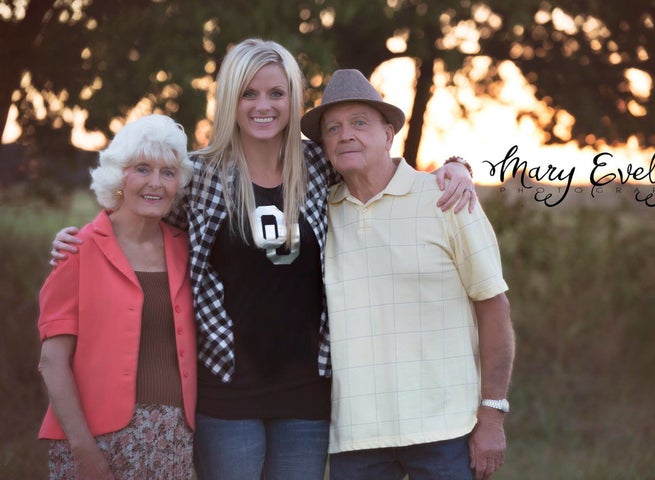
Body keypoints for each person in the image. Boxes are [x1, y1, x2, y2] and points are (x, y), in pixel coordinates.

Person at [48, 39, 475, 480]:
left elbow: (380, 170)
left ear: (292, 98)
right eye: (248, 93)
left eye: (276, 93)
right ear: (230, 99)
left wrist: (455, 165)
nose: (262, 105)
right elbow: (136, 217)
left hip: (307, 394)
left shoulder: (318, 165)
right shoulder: (199, 176)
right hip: (226, 391)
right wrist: (79, 239)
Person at [300, 69, 516, 480]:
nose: (345, 135)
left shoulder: (447, 199)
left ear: (389, 133)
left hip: (446, 429)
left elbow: (494, 308)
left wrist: (492, 414)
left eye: (359, 123)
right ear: (324, 145)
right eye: (333, 128)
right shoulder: (315, 213)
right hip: (356, 436)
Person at [37, 114, 197, 480]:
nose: (155, 183)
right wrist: (83, 451)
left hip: (172, 441)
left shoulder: (188, 250)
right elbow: (52, 362)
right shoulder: (77, 250)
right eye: (142, 169)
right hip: (94, 442)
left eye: (168, 173)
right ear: (119, 176)